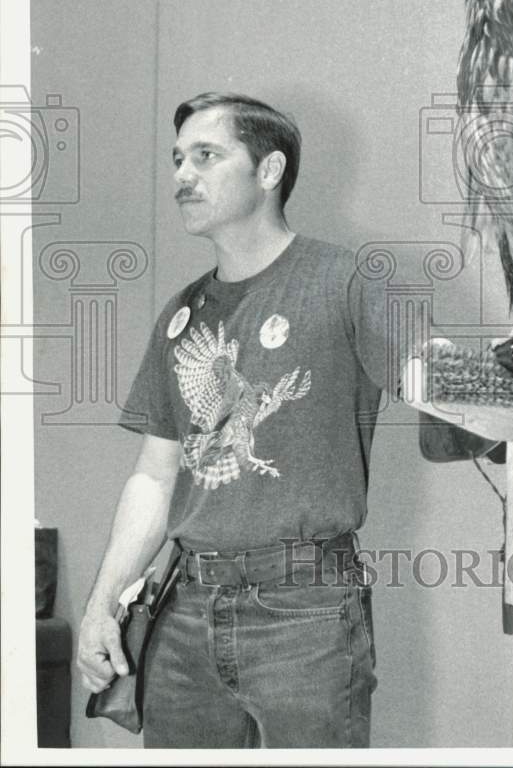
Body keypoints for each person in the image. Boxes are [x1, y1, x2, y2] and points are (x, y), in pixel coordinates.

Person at [77, 92, 393, 748]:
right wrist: (102, 603)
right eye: (176, 160)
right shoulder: (182, 312)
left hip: (304, 611)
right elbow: (156, 477)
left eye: (206, 156)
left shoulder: (343, 281)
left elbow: (445, 386)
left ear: (269, 170)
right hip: (184, 613)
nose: (181, 176)